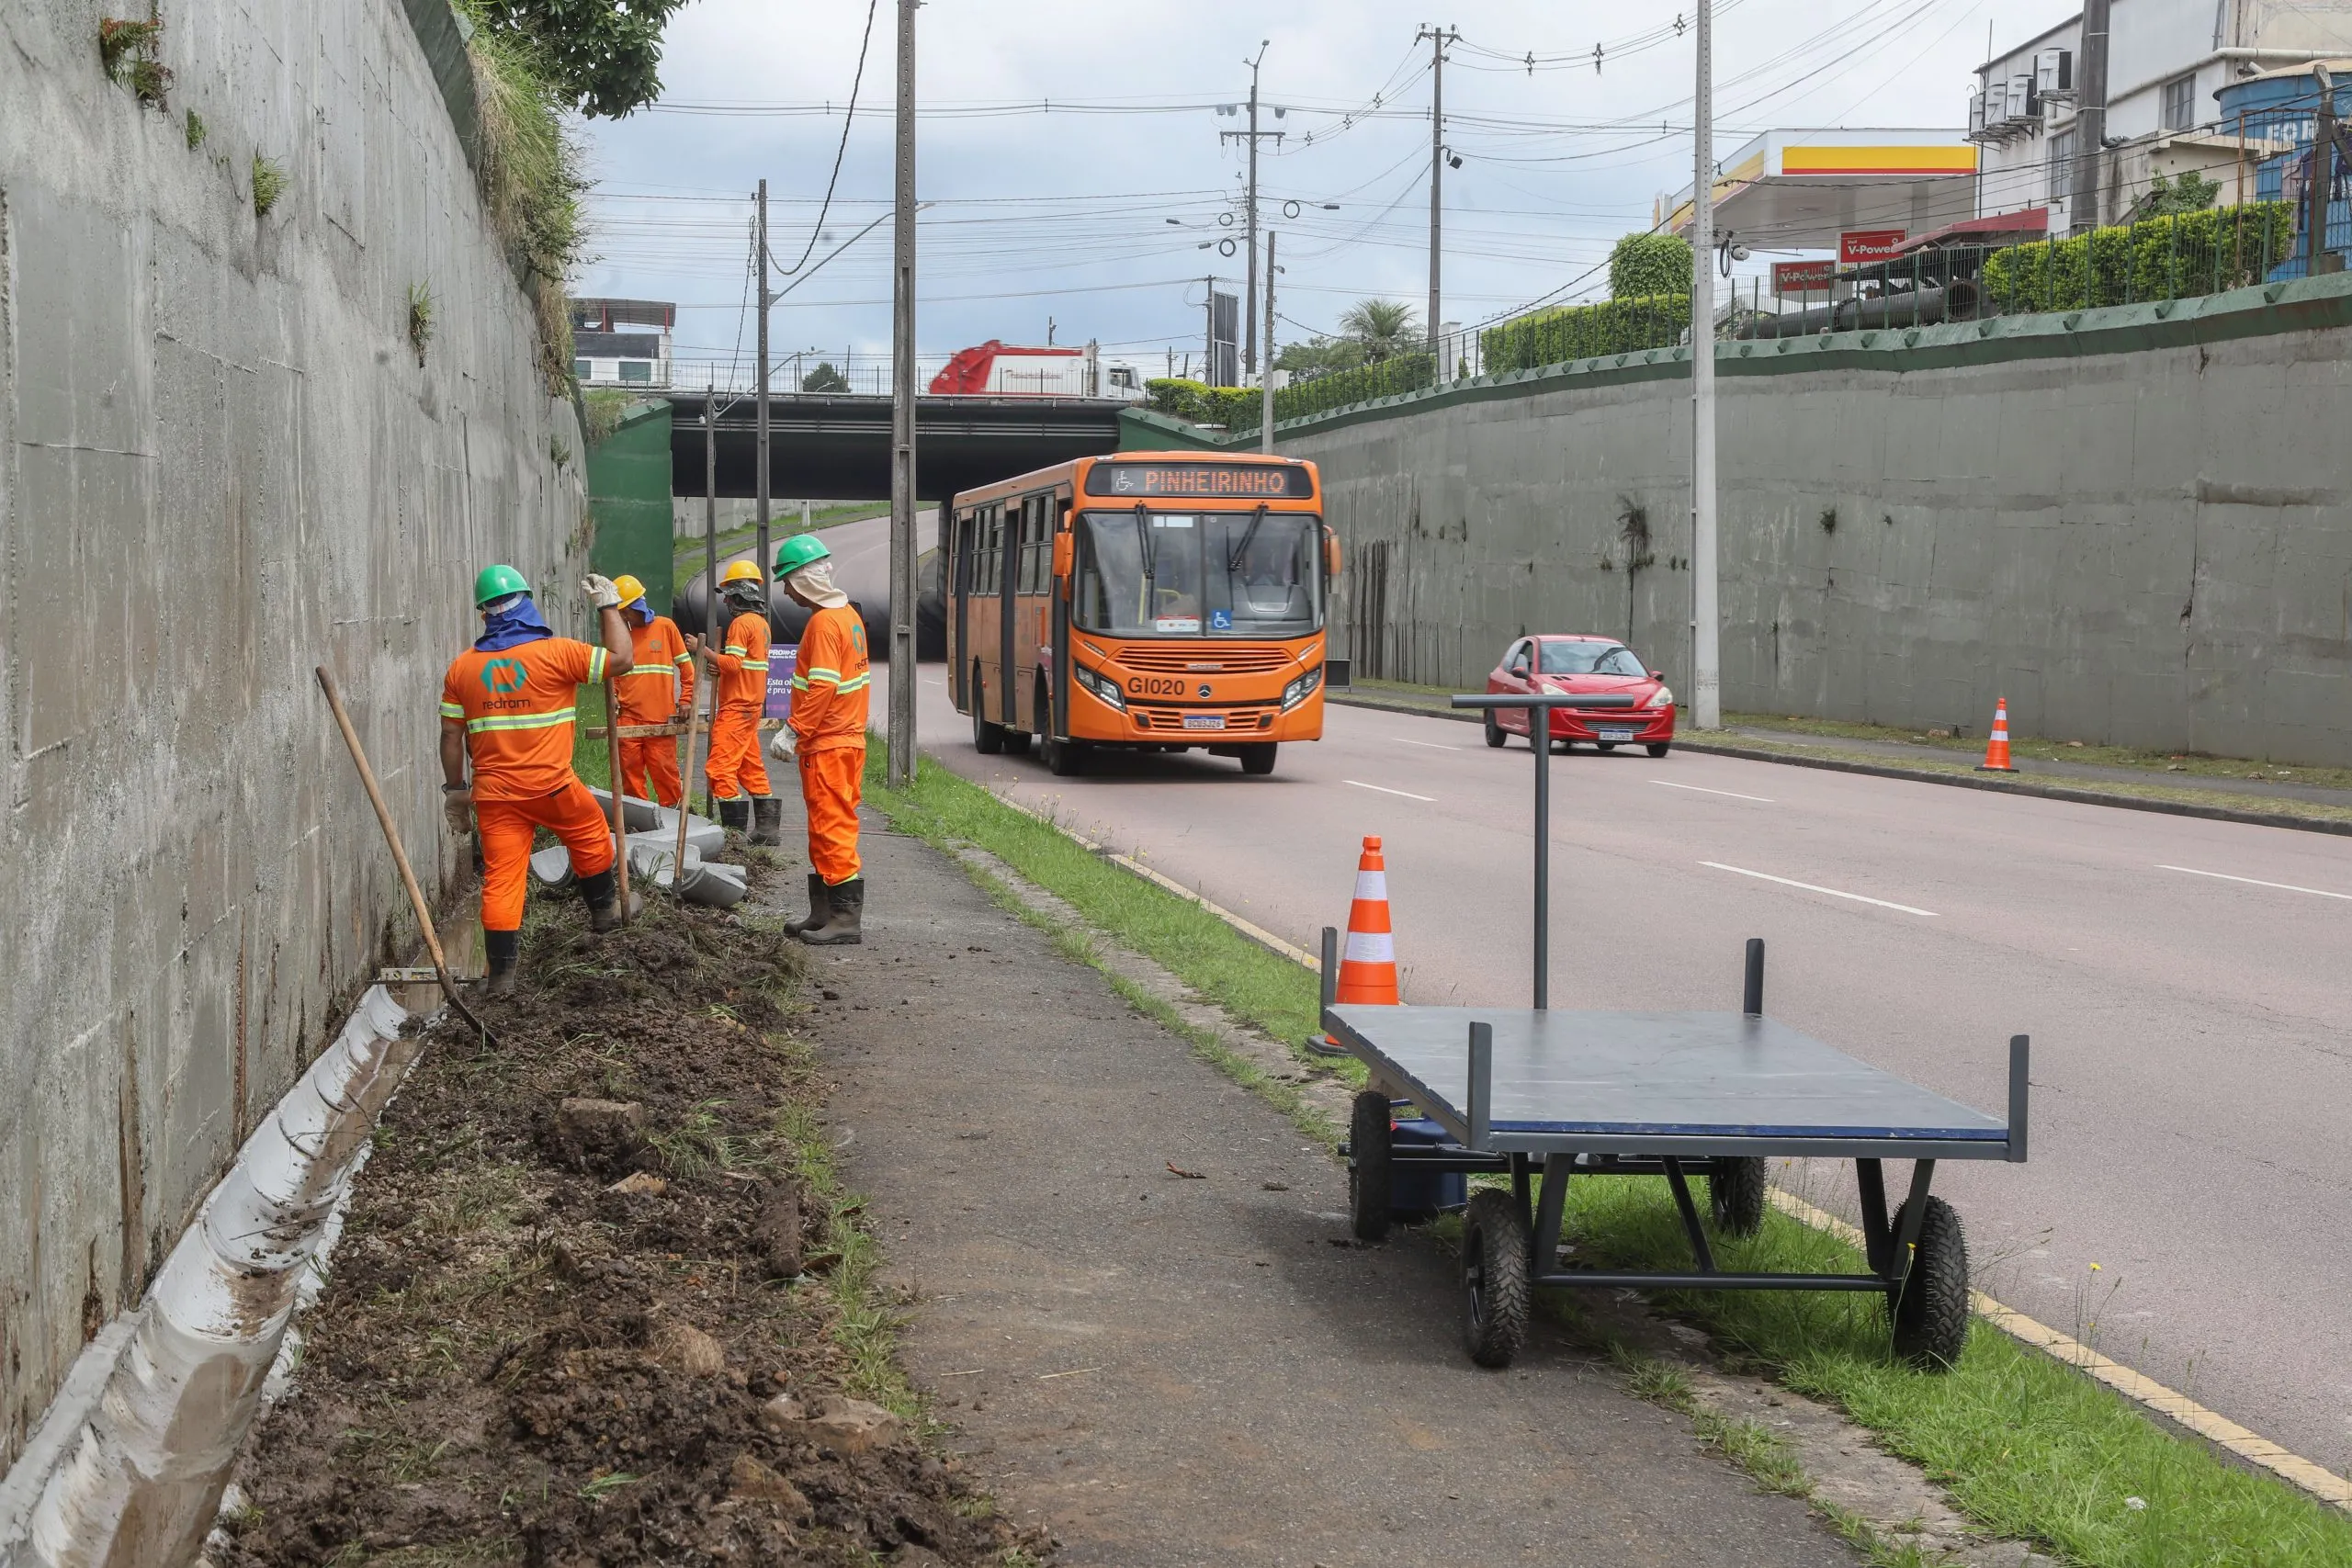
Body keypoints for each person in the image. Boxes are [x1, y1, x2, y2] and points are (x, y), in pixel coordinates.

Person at [440, 566, 636, 996]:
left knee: (503, 879)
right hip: (552, 787)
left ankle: (501, 977)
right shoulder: (558, 653)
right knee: (588, 831)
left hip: (494, 796)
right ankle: (604, 912)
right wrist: (608, 606)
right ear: (528, 604)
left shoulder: (463, 669)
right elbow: (622, 660)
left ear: (484, 614)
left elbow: (451, 737)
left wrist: (456, 790)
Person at [768, 534, 869, 943]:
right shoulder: (845, 616)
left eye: (788, 582)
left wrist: (794, 730)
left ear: (802, 581)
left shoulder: (824, 624)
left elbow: (822, 687)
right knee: (824, 825)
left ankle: (844, 920)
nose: (788, 592)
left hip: (830, 742)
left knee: (833, 825)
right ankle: (824, 912)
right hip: (840, 740)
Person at [686, 558, 781, 845]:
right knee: (750, 767)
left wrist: (702, 651)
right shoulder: (761, 624)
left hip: (737, 706)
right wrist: (719, 665)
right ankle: (767, 831)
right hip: (750, 704)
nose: (725, 600)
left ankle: (733, 836)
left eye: (728, 594)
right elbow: (739, 665)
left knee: (719, 768)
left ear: (739, 595)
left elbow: (734, 665)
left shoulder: (740, 624)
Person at [608, 572, 695, 807]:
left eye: (625, 610)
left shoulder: (665, 627)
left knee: (665, 773)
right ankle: (639, 819)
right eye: (620, 612)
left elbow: (688, 669)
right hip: (628, 719)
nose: (623, 616)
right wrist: (613, 696)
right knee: (630, 776)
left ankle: (675, 815)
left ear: (637, 606)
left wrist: (686, 699)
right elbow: (615, 673)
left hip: (660, 719)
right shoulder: (620, 635)